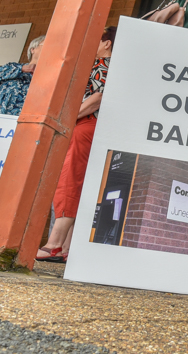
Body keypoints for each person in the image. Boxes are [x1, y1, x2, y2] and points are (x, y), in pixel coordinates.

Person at [37, 27, 115, 261]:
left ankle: (54, 243)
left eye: (97, 40)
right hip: (91, 127)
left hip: (84, 126)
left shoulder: (103, 64)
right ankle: (66, 248)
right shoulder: (115, 67)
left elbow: (98, 97)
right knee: (80, 183)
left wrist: (67, 118)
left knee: (69, 180)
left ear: (108, 44)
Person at [0, 35, 46, 115]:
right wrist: (21, 69)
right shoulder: (13, 67)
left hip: (26, 121)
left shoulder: (48, 77)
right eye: (45, 45)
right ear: (32, 50)